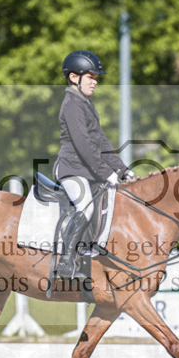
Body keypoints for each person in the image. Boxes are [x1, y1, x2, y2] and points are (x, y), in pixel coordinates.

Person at [53, 50, 135, 279]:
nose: (95, 81)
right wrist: (107, 173)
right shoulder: (72, 105)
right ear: (73, 77)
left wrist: (123, 169)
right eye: (90, 76)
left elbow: (101, 141)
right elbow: (84, 146)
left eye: (96, 77)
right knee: (86, 207)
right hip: (72, 170)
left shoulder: (85, 103)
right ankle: (66, 262)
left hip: (88, 171)